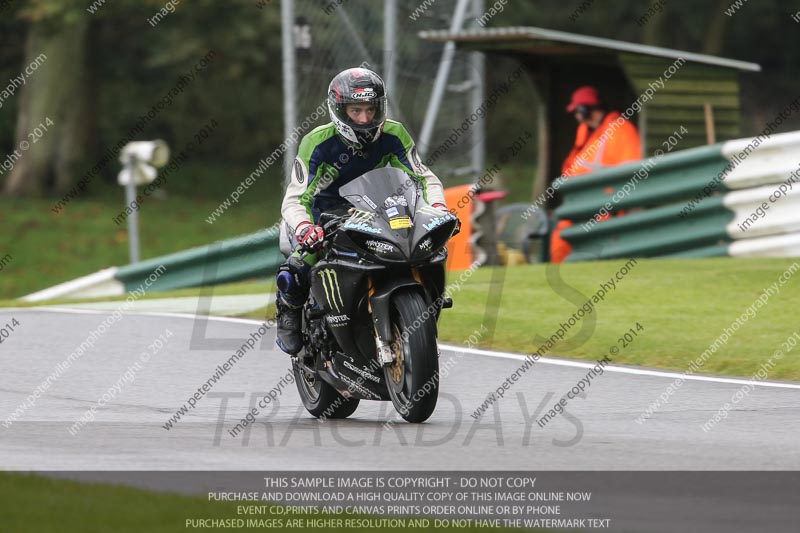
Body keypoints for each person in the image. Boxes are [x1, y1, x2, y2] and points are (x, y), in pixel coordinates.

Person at [276, 67, 450, 354]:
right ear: (340, 111)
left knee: (426, 250)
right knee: (296, 268)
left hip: (376, 209)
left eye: (371, 109)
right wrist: (306, 227)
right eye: (356, 110)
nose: (365, 119)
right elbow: (295, 199)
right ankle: (289, 311)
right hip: (325, 218)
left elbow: (424, 177)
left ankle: (420, 314)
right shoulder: (316, 143)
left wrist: (439, 208)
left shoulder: (394, 133)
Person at [550, 86, 641, 263]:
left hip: (607, 205)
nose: (577, 116)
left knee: (568, 238)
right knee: (560, 237)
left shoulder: (621, 130)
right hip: (581, 203)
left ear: (586, 110)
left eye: (578, 111)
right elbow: (571, 168)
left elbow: (632, 172)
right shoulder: (586, 132)